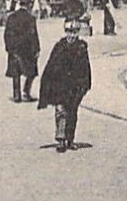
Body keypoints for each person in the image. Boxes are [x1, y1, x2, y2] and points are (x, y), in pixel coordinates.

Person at [38, 17, 92, 152]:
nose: (71, 36)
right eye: (69, 32)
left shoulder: (81, 48)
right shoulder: (59, 47)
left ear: (78, 33)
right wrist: (47, 83)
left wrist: (85, 85)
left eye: (74, 32)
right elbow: (50, 65)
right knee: (60, 111)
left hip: (74, 87)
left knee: (72, 112)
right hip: (60, 85)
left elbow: (86, 68)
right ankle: (61, 139)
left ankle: (70, 139)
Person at [4, 0, 41, 103]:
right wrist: (37, 49)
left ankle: (17, 95)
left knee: (16, 73)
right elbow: (33, 35)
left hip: (14, 49)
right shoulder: (31, 18)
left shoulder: (11, 17)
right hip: (27, 50)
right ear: (28, 5)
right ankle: (26, 91)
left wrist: (8, 47)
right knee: (32, 71)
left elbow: (7, 34)